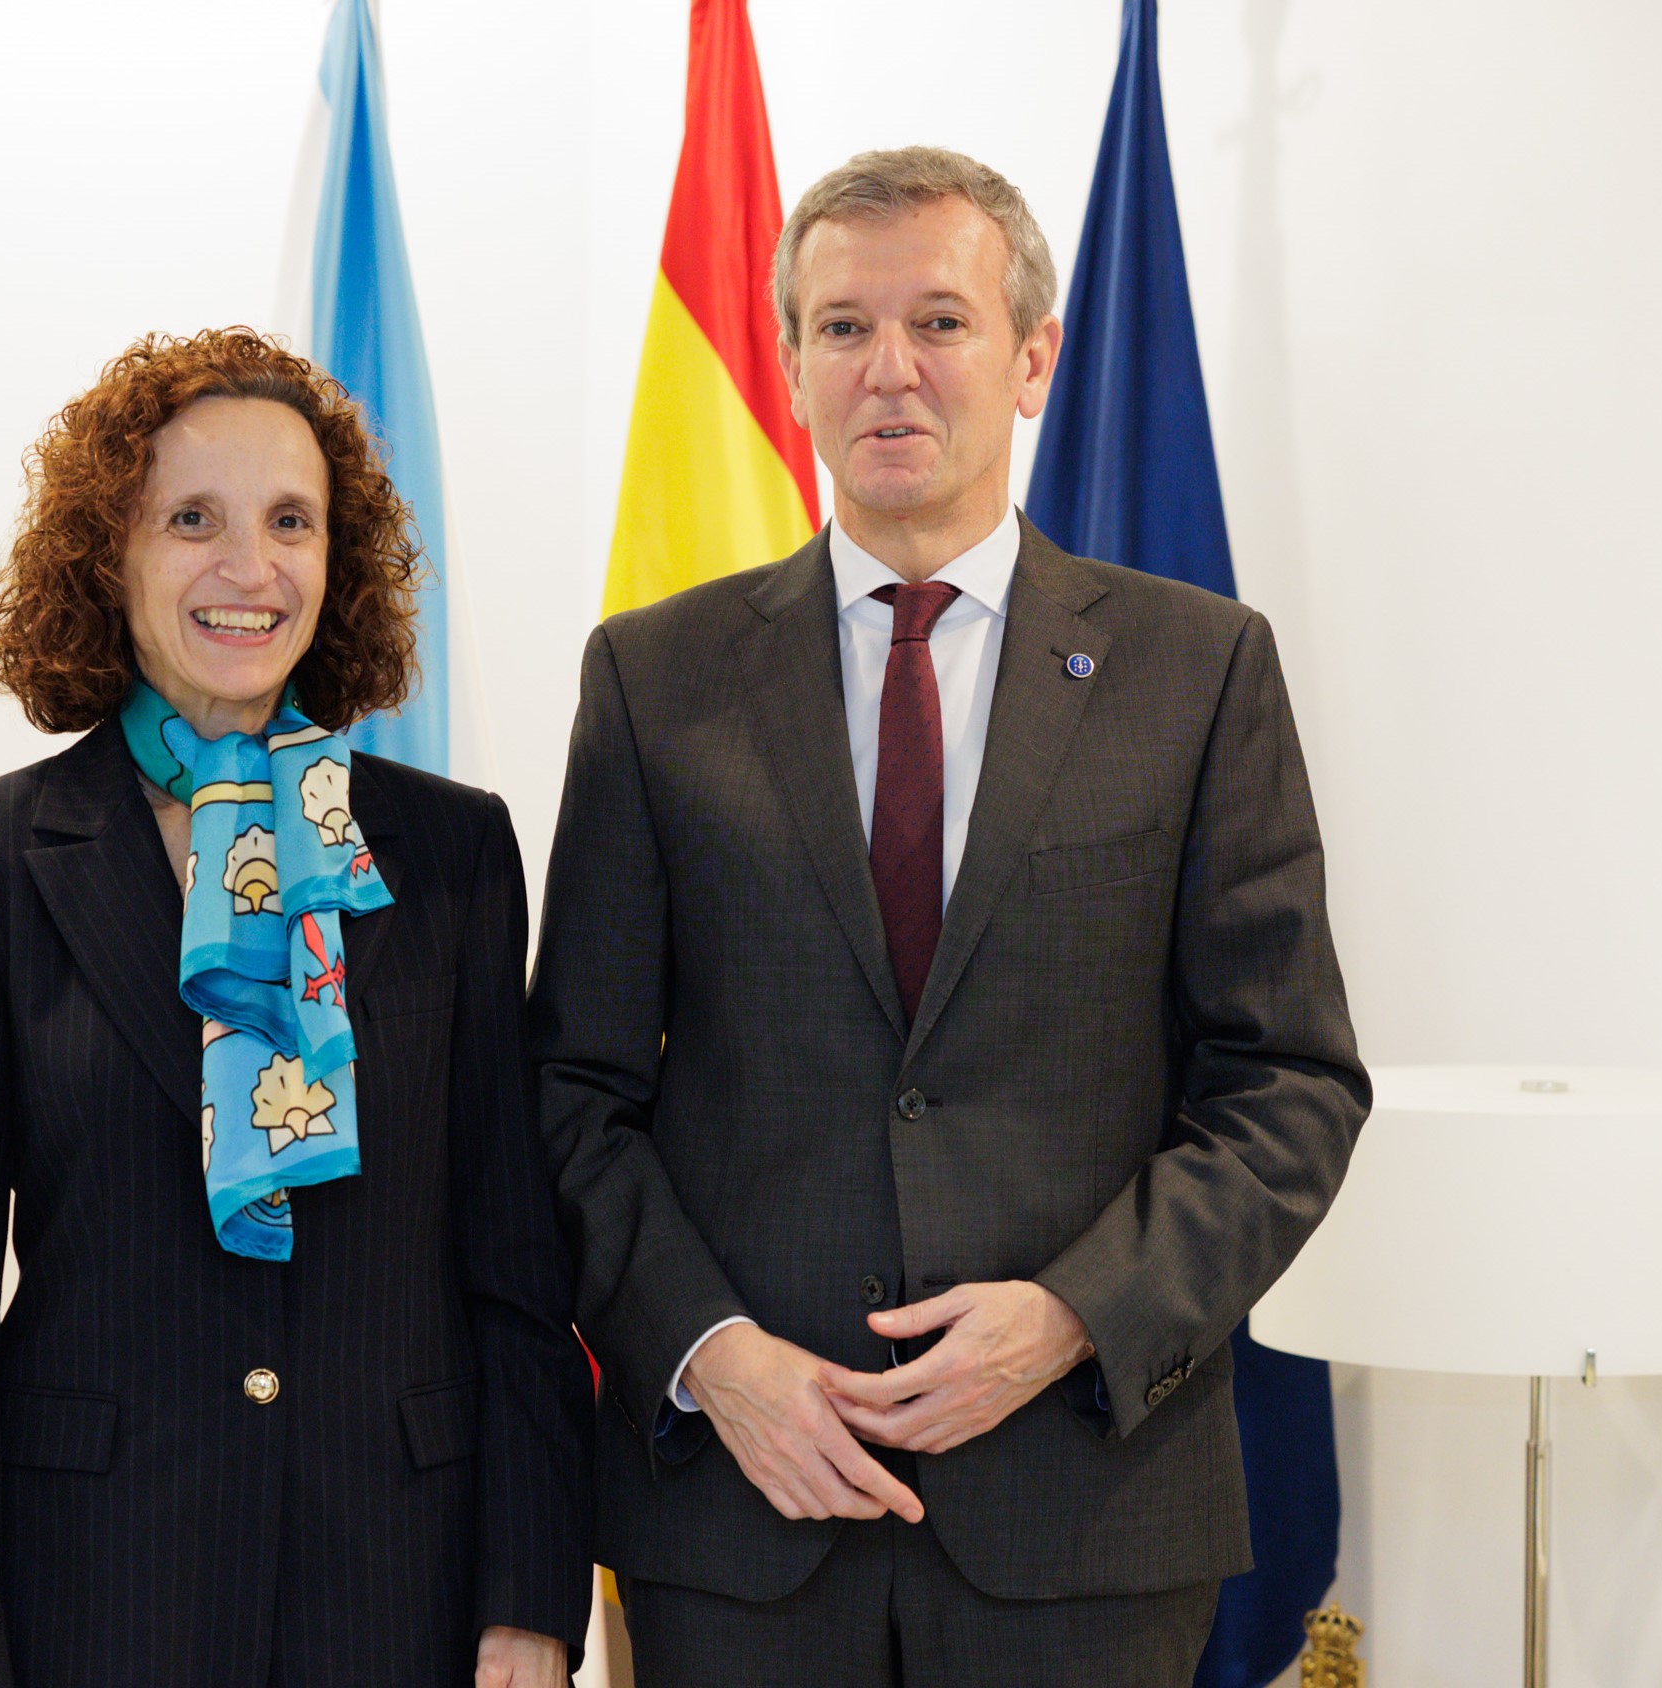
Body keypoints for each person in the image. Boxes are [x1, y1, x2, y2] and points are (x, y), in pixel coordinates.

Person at [530, 147, 1369, 1687]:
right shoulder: (654, 682)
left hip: (1089, 1521)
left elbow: (1290, 1085)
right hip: (743, 1527)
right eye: (844, 327)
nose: (890, 369)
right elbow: (573, 1094)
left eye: (940, 322)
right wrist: (712, 1357)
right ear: (791, 365)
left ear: (1033, 358)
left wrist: (1076, 1315)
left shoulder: (1198, 672)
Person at [0, 328, 591, 1688]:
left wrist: (530, 1595)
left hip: (404, 1592)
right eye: (191, 518)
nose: (250, 567)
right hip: (99, 1596)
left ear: (338, 559)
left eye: (290, 522)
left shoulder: (454, 853)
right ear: (110, 554)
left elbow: (515, 1268)